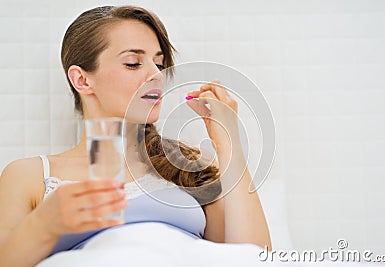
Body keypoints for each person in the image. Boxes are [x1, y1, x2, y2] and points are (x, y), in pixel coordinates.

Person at [0, 5, 271, 266]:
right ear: (82, 80)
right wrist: (44, 224)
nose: (156, 74)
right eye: (133, 63)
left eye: (159, 63)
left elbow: (253, 258)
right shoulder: (29, 175)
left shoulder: (187, 168)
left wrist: (228, 142)